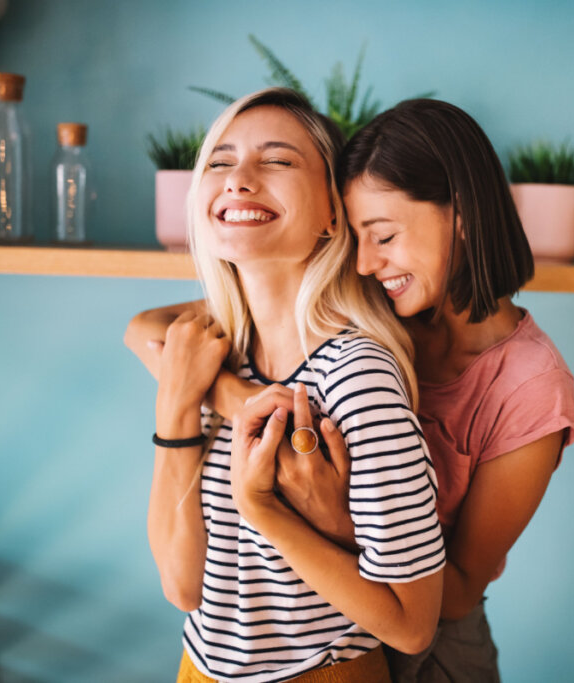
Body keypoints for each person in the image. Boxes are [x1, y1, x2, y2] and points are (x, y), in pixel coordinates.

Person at [128, 98, 574, 682]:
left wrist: (327, 512)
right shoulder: (387, 303)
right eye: (357, 233)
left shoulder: (527, 385)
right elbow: (148, 332)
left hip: (436, 645)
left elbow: (456, 592)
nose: (363, 263)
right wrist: (249, 410)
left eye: (384, 235)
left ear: (460, 215)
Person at [137, 87, 446, 683]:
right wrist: (181, 403)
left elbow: (412, 625)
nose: (239, 179)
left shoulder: (358, 377)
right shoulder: (215, 352)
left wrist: (261, 507)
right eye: (220, 162)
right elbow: (182, 587)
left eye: (277, 160)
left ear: (334, 213)